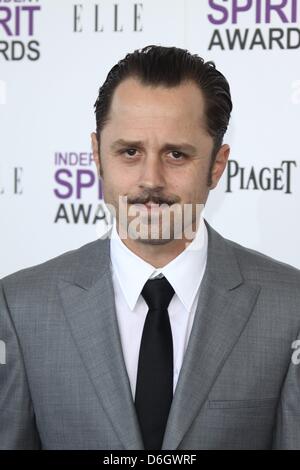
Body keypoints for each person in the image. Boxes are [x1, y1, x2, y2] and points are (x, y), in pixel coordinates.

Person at [0, 45, 299, 450]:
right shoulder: (21, 308)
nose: (151, 180)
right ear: (97, 156)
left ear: (216, 165)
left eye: (176, 154)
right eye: (129, 152)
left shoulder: (289, 307)